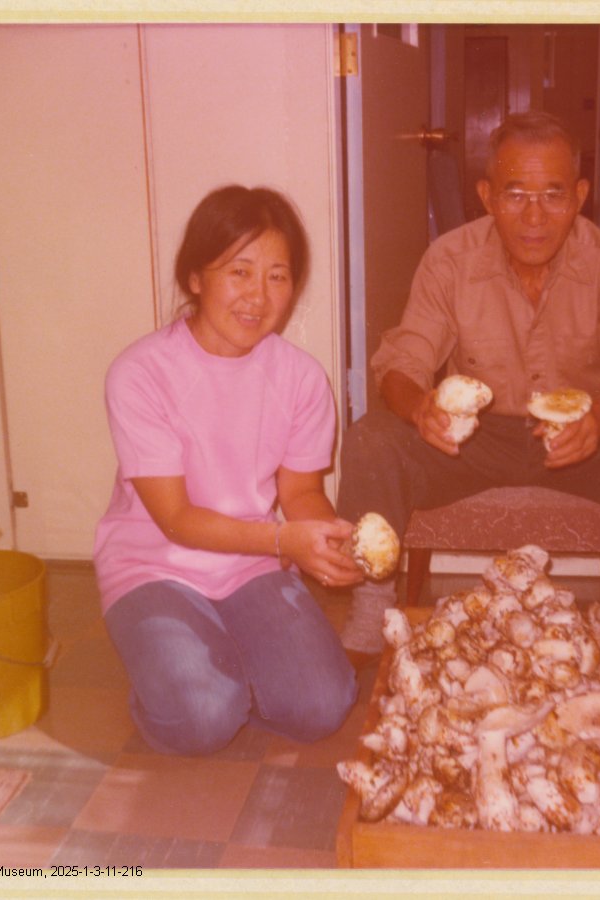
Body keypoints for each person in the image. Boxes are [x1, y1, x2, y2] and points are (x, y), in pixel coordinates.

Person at [337, 111, 600, 714]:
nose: (535, 216)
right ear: (487, 196)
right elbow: (402, 360)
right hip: (473, 441)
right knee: (374, 437)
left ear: (580, 196)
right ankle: (370, 615)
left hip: (585, 440)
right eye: (516, 194)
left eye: (554, 195)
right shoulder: (449, 259)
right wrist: (419, 406)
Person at [94, 185, 361, 755]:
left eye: (277, 276)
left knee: (323, 707)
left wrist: (328, 540)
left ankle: (219, 668)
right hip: (154, 566)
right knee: (203, 717)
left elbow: (304, 492)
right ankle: (171, 683)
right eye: (239, 271)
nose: (258, 297)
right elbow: (175, 520)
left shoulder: (301, 378)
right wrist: (284, 538)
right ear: (195, 277)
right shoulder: (140, 373)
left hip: (250, 563)